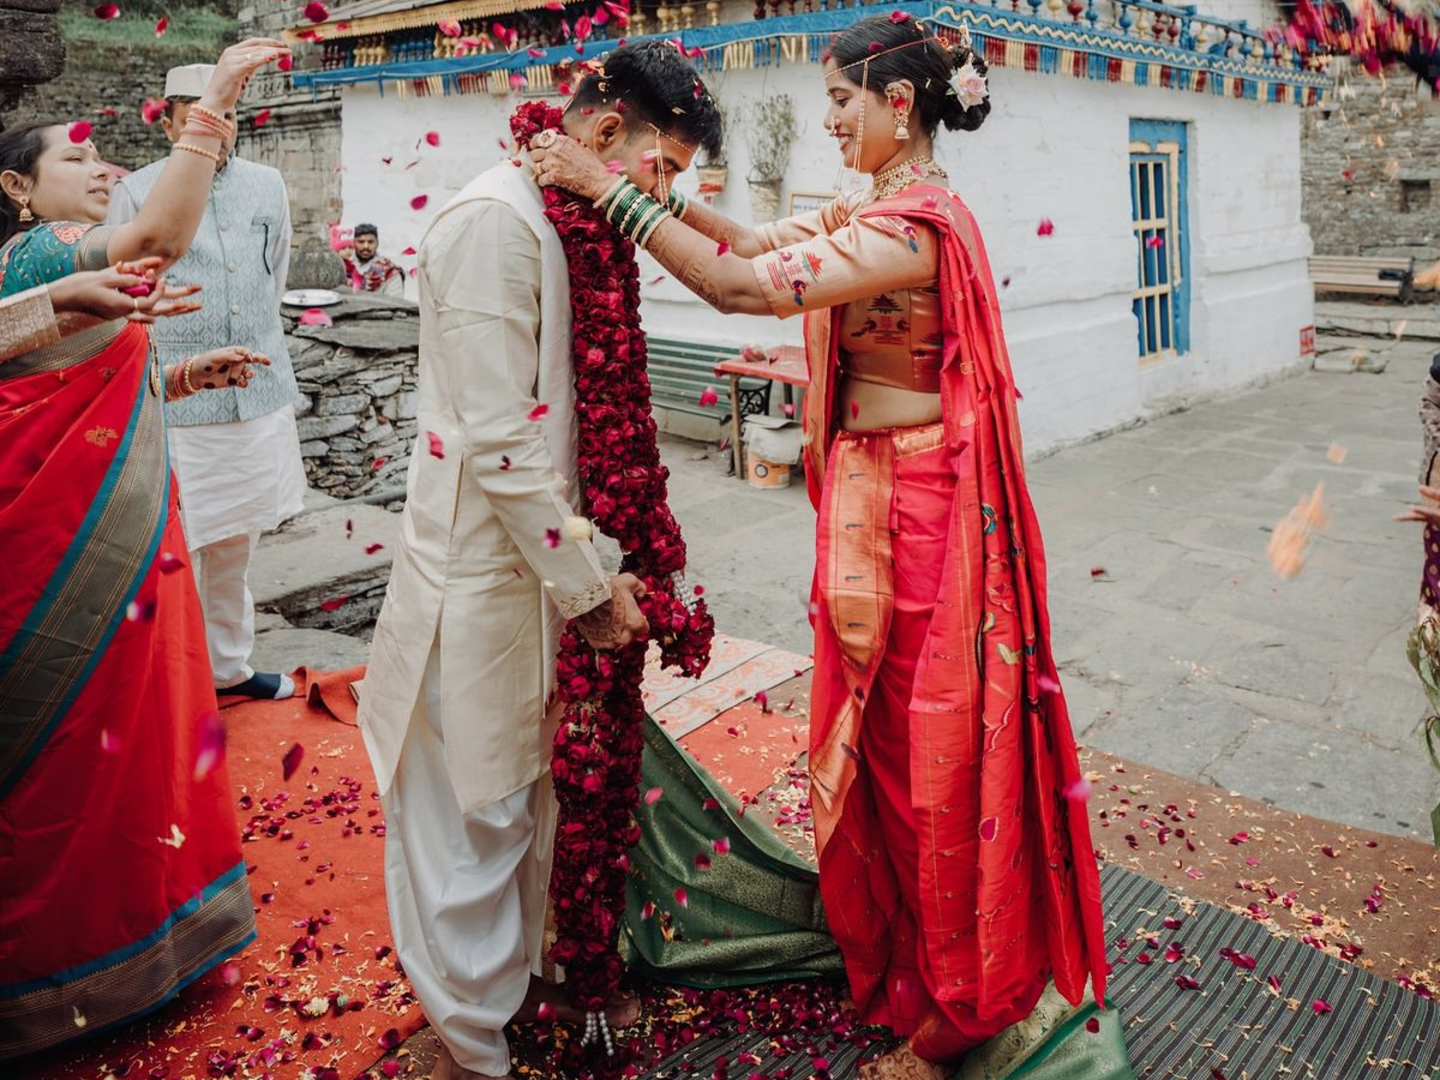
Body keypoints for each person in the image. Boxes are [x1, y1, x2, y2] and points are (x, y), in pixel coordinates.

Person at [531, 15, 1108, 1078]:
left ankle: (953, 1015)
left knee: (928, 759)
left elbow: (747, 290)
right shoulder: (878, 211)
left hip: (926, 523)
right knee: (878, 753)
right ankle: (901, 964)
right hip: (873, 503)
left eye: (842, 102)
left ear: (900, 103)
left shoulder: (916, 228)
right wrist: (654, 188)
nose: (829, 122)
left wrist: (601, 186)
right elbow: (756, 247)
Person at [356, 41, 720, 1080]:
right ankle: (469, 1040)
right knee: (474, 809)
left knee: (536, 795)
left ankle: (514, 999)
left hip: (556, 564)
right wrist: (590, 584)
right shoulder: (493, 226)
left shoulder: (575, 227)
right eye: (664, 168)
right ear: (608, 135)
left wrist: (602, 564)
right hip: (486, 569)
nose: (665, 194)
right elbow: (495, 441)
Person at [0, 38, 289, 1061]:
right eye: (75, 159)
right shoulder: (39, 254)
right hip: (64, 548)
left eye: (99, 158)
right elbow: (163, 229)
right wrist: (215, 96)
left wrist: (186, 376)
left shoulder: (47, 274)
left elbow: (67, 378)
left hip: (107, 535)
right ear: (17, 189)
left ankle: (133, 937)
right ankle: (76, 964)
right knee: (84, 752)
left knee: (125, 742)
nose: (99, 169)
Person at [108, 63, 308, 703]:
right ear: (169, 121)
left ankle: (230, 666)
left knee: (236, 545)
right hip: (177, 402)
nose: (215, 126)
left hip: (255, 397)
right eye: (196, 112)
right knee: (176, 549)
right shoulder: (138, 193)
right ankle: (174, 679)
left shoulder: (267, 183)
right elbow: (127, 293)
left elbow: (273, 277)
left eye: (224, 115)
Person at [340, 222, 405, 296]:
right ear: (354, 243)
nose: (366, 246)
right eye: (361, 242)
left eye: (370, 242)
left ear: (377, 243)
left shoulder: (391, 273)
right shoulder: (342, 269)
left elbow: (396, 304)